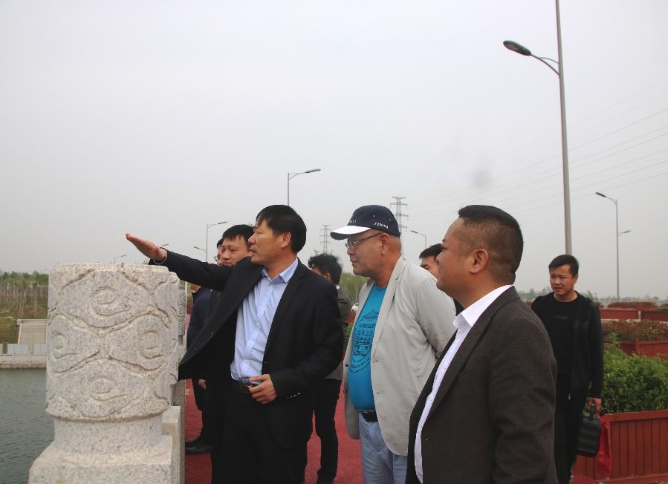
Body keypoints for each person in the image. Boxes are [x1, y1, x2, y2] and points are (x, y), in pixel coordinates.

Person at [126, 205, 343, 484]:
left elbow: (329, 351)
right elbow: (203, 271)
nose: (251, 239)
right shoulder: (245, 272)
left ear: (284, 238)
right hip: (234, 405)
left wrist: (282, 382)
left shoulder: (317, 290)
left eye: (258, 232)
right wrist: (161, 256)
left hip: (282, 411)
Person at [406, 205, 557, 484]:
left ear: (477, 260)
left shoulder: (517, 330)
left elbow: (525, 457)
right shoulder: (472, 323)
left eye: (445, 249)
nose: (438, 258)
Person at [330, 205, 455, 484]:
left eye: (355, 242)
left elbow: (452, 356)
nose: (349, 251)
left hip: (407, 428)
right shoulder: (368, 288)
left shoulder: (420, 285)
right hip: (369, 426)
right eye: (348, 244)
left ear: (384, 242)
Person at [531, 254, 604, 484]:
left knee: (570, 439)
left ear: (575, 278)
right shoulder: (541, 306)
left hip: (575, 387)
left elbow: (596, 352)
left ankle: (564, 475)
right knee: (557, 438)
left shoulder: (587, 310)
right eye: (553, 276)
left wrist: (596, 392)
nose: (556, 282)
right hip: (546, 384)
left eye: (562, 277)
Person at [204, 224, 254, 483]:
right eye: (222, 250)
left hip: (248, 388)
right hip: (218, 382)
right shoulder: (217, 290)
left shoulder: (259, 288)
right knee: (219, 448)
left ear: (252, 251)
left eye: (232, 250)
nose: (224, 256)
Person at [307, 253, 353, 484]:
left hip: (327, 375)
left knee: (324, 427)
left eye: (312, 273)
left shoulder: (341, 300)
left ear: (326, 276)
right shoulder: (312, 295)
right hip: (306, 371)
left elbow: (314, 321)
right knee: (299, 425)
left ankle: (326, 476)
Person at [185, 283, 213, 455]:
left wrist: (206, 371)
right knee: (203, 403)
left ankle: (208, 439)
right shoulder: (201, 297)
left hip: (203, 363)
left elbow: (207, 334)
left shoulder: (204, 299)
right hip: (199, 361)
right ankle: (205, 436)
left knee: (207, 403)